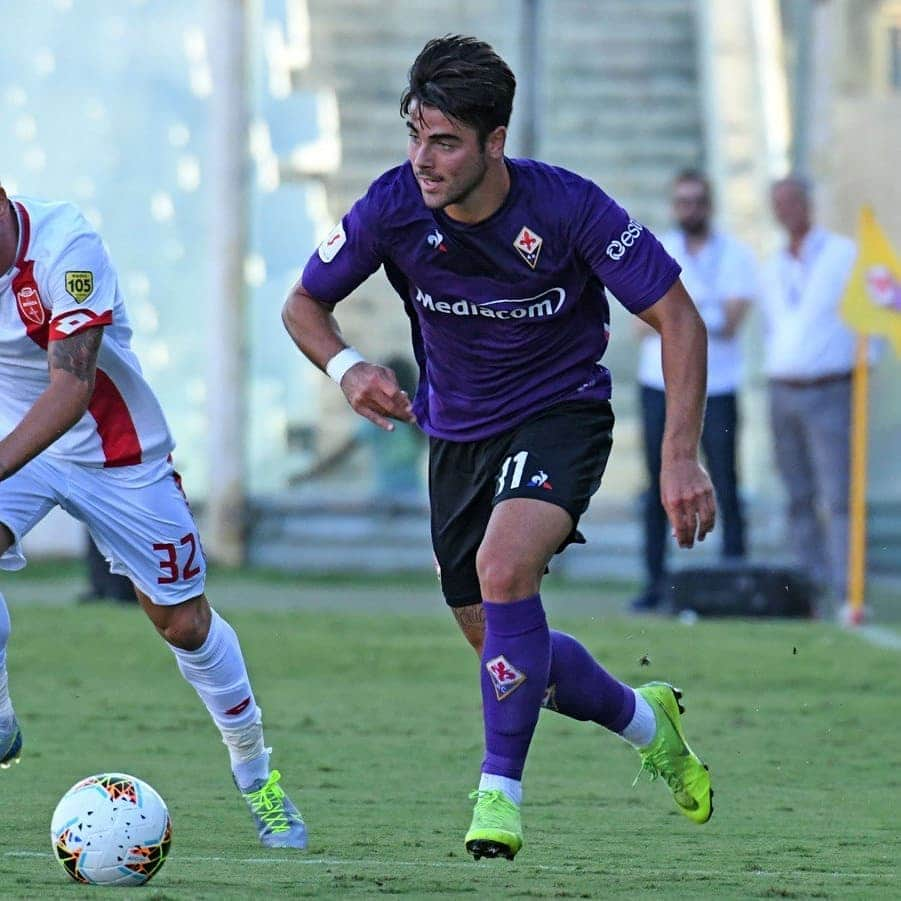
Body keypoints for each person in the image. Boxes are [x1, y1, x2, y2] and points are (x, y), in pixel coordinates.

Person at [282, 35, 715, 860]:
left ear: (493, 143)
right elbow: (304, 303)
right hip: (457, 435)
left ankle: (498, 795)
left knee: (505, 568)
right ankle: (642, 717)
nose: (422, 158)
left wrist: (679, 454)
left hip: (561, 414)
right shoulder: (392, 208)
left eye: (443, 141)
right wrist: (345, 366)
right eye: (414, 134)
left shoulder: (568, 209)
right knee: (504, 651)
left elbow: (677, 318)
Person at [0, 185, 306, 849]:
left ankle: (258, 778)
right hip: (16, 442)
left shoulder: (65, 247)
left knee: (184, 622)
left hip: (116, 451)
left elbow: (73, 386)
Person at [631, 170, 757, 612]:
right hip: (658, 385)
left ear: (710, 204)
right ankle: (654, 580)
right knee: (655, 482)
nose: (691, 209)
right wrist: (698, 315)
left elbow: (733, 318)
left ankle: (736, 574)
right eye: (683, 201)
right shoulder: (657, 248)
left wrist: (677, 319)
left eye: (697, 201)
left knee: (725, 478)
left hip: (717, 386)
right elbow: (638, 324)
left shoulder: (736, 255)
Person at [760, 175, 858, 612]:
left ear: (808, 204)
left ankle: (847, 589)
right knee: (797, 494)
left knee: (838, 494)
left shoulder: (843, 255)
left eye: (791, 202)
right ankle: (809, 587)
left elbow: (876, 308)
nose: (785, 211)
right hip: (782, 388)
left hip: (830, 387)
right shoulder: (773, 262)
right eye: (778, 204)